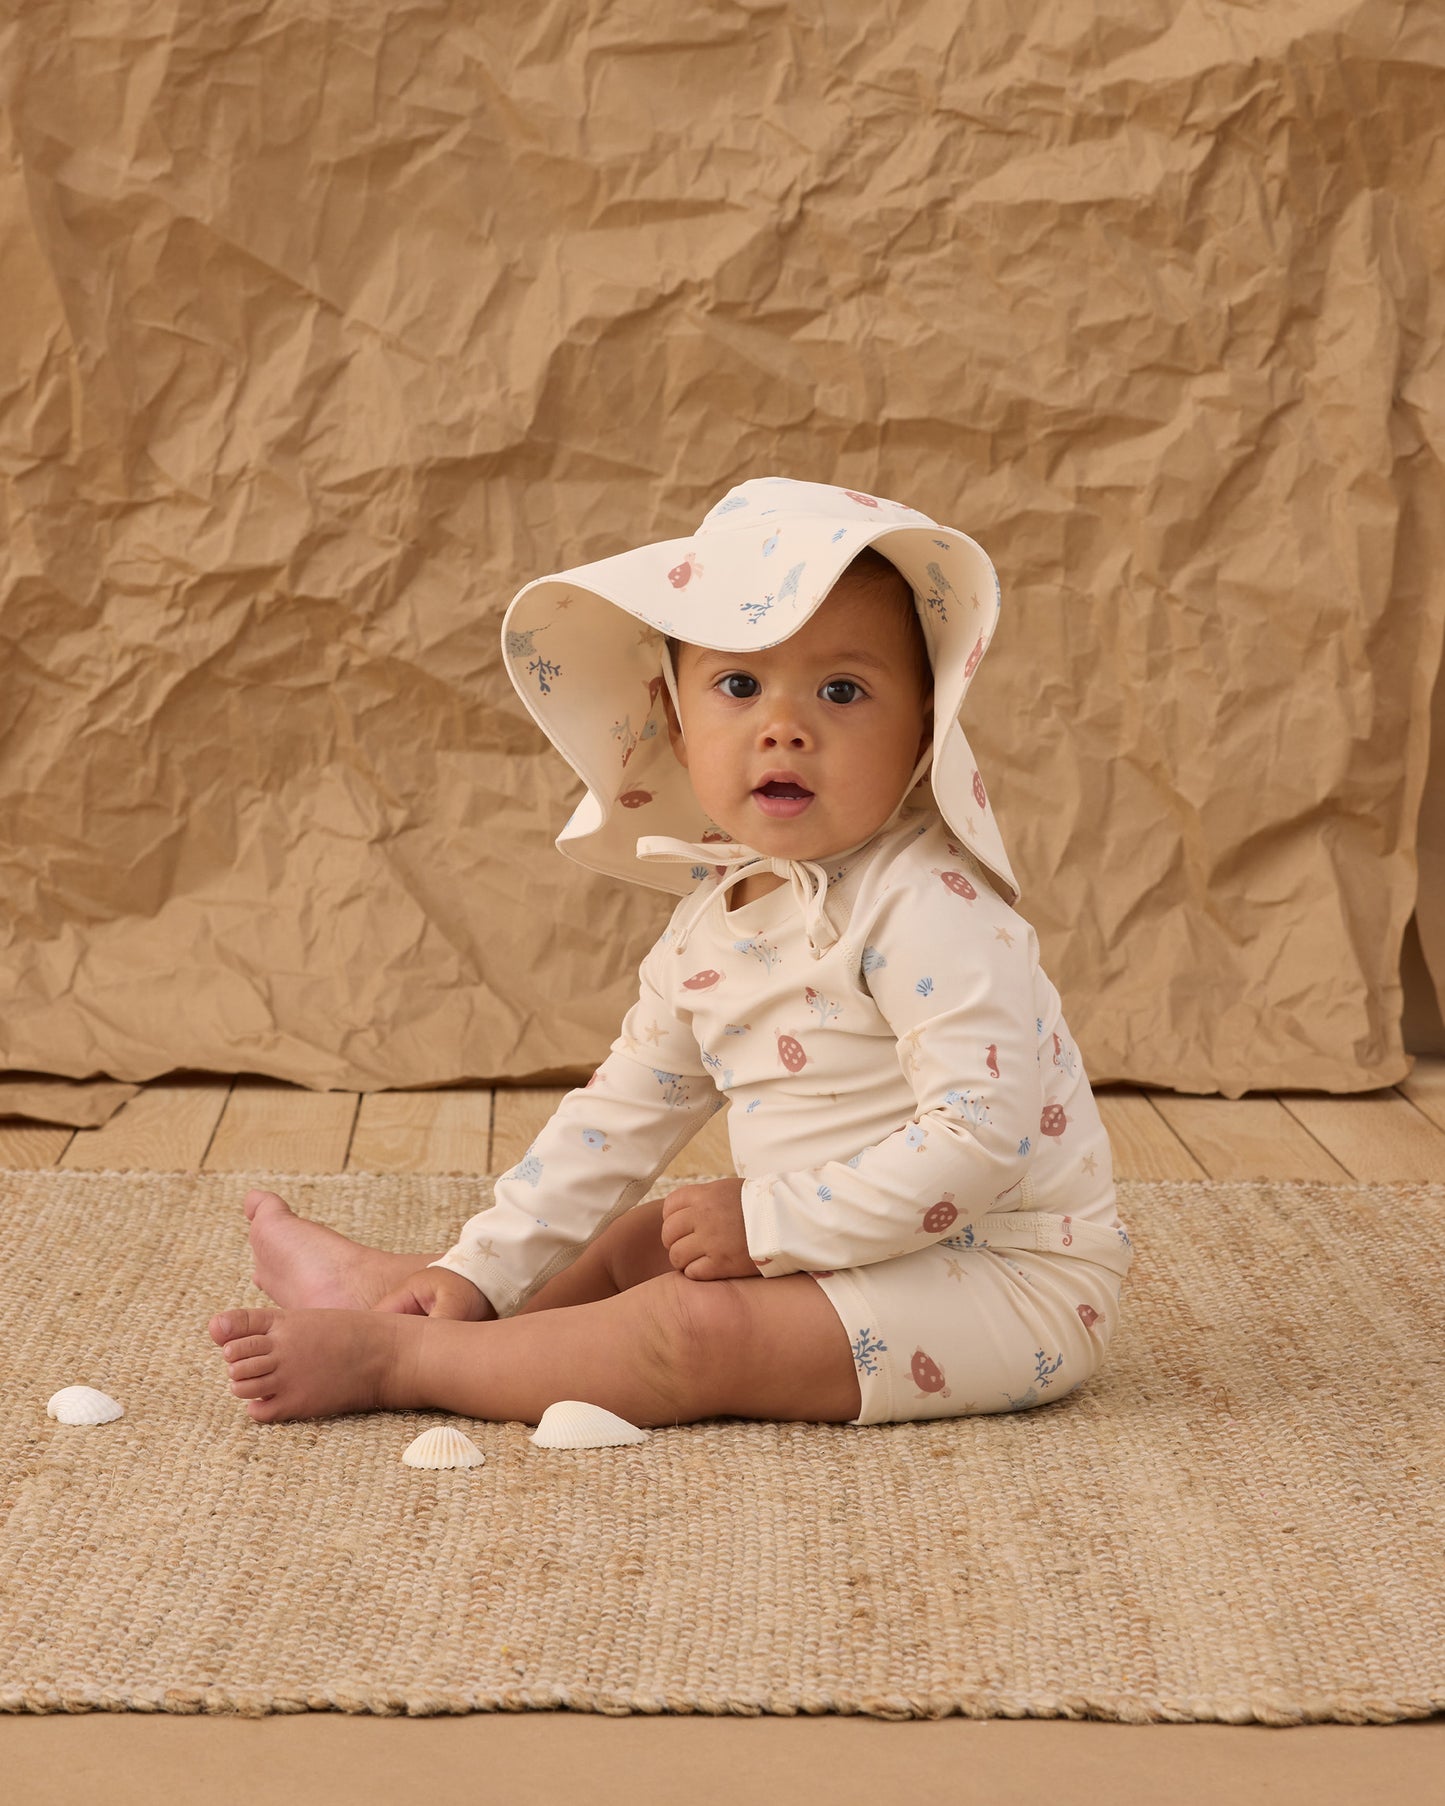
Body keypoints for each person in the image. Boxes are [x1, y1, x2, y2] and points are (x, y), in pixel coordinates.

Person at [209, 477, 1134, 1427]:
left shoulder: (930, 904)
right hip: (831, 1252)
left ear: (922, 728)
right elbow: (616, 1118)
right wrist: (481, 1265)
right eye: (738, 686)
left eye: (842, 690)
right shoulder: (710, 925)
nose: (784, 726)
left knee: (691, 1328)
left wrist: (766, 1223)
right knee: (641, 1244)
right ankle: (432, 1300)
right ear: (676, 720)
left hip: (1001, 1277)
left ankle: (398, 1360)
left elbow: (981, 1136)